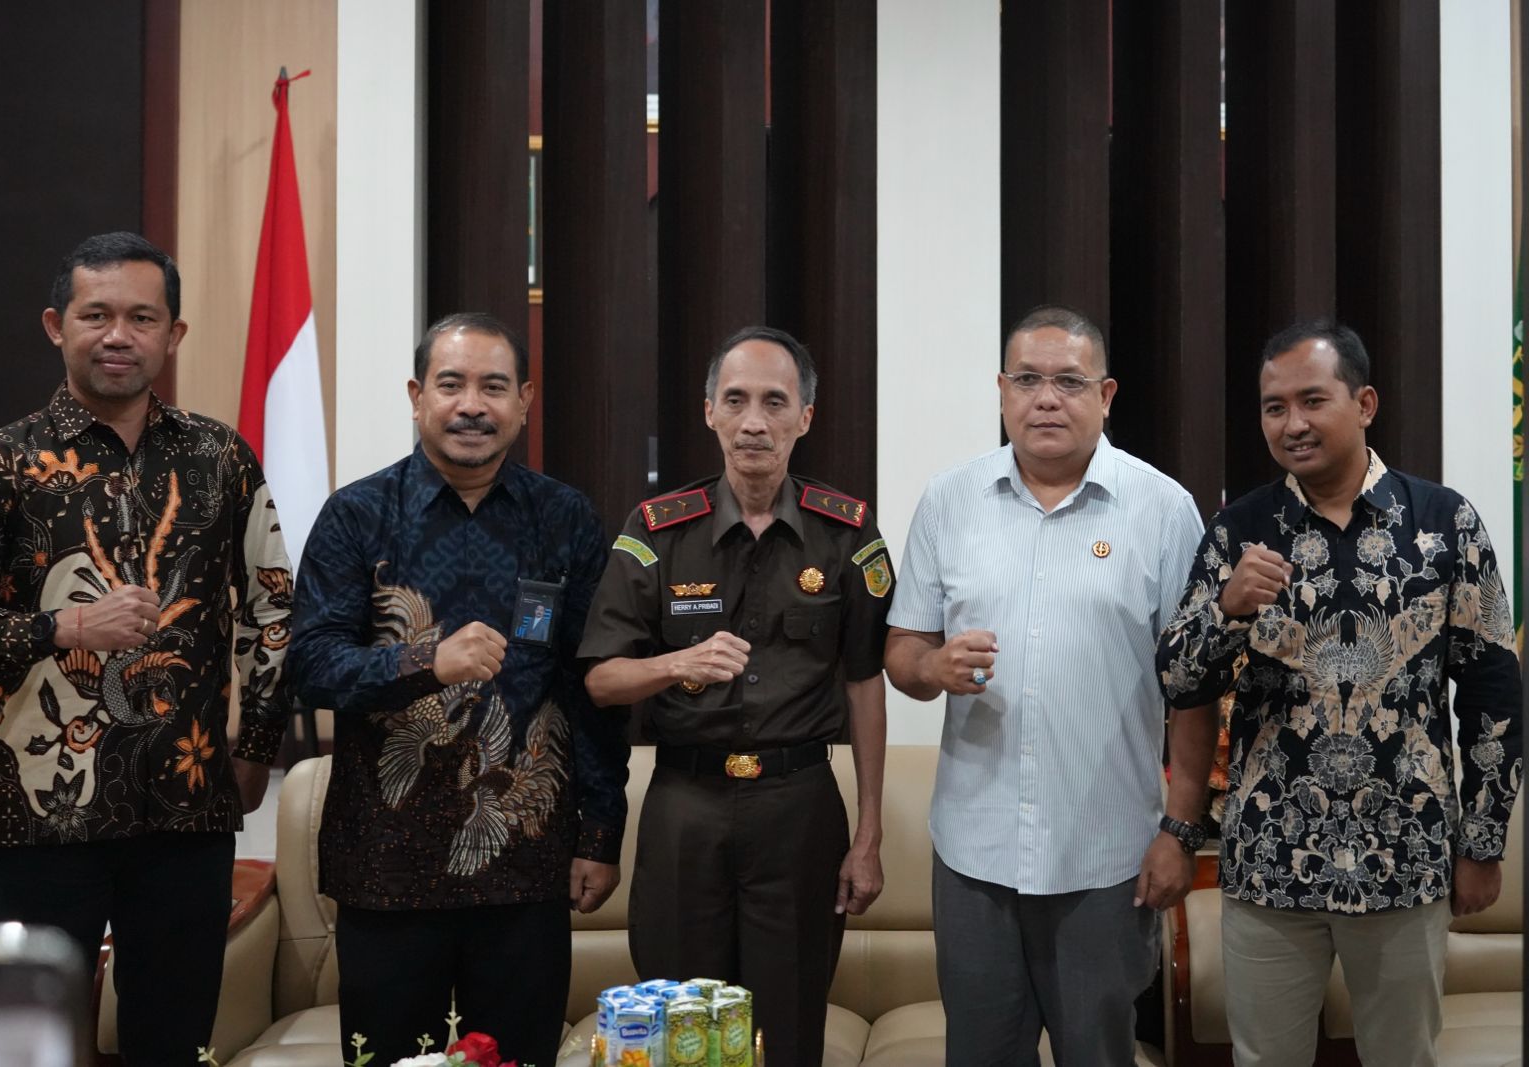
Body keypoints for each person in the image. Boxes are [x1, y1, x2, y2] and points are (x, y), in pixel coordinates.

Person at [0, 231, 292, 1063]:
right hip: (38, 817)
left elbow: (273, 606)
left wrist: (256, 747)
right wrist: (60, 629)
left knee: (173, 1041)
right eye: (96, 315)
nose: (118, 335)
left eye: (142, 317)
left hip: (188, 812)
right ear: (56, 324)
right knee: (40, 1043)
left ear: (174, 333)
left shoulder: (220, 457)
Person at [1156, 320, 1522, 1067]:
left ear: (1365, 403)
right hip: (1270, 859)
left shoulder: (1444, 523)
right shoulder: (1239, 530)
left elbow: (1494, 694)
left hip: (1405, 855)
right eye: (1274, 407)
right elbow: (1178, 681)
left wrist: (1483, 844)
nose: (1292, 423)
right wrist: (1227, 609)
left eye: (1312, 400)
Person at [285, 312, 628, 1067]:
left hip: (525, 867)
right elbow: (308, 666)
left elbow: (593, 685)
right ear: (418, 397)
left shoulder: (564, 518)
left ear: (524, 401)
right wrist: (425, 662)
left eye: (494, 387)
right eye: (452, 384)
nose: (472, 405)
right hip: (386, 869)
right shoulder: (357, 515)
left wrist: (601, 831)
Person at [882, 305, 1215, 1067]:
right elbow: (902, 651)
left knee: (1099, 1054)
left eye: (1069, 381)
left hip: (1107, 858)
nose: (1046, 399)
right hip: (975, 852)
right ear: (1002, 391)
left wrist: (1180, 830)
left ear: (1106, 394)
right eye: (1027, 380)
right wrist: (932, 669)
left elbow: (1194, 688)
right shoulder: (949, 500)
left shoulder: (1164, 509)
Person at [579, 326, 892, 1067]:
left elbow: (865, 680)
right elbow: (600, 678)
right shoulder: (657, 529)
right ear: (710, 412)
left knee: (788, 1030)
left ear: (804, 417)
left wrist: (869, 834)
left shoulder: (846, 532)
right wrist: (676, 662)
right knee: (681, 1027)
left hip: (799, 808)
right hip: (686, 807)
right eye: (736, 400)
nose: (754, 421)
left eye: (774, 402)